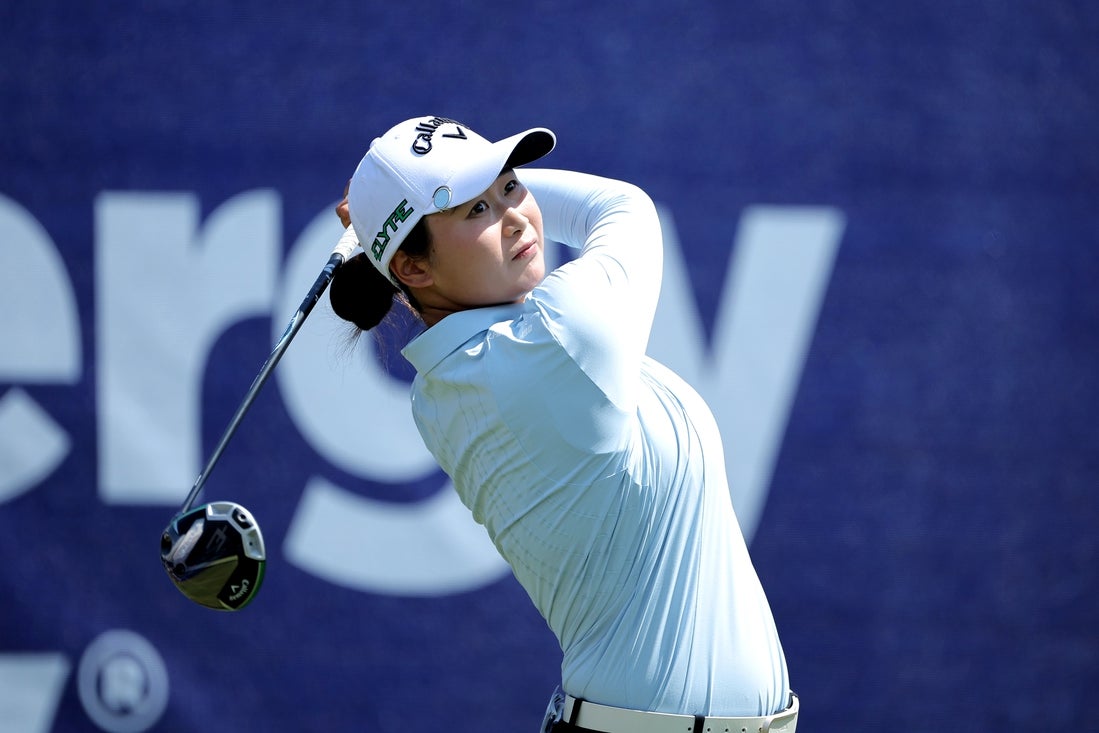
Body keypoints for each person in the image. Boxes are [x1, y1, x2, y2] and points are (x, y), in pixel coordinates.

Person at [330, 115, 798, 733]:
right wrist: (380, 228)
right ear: (414, 270)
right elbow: (621, 206)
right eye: (476, 210)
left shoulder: (448, 381)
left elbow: (574, 216)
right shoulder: (555, 337)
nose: (517, 217)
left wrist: (390, 228)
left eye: (511, 186)